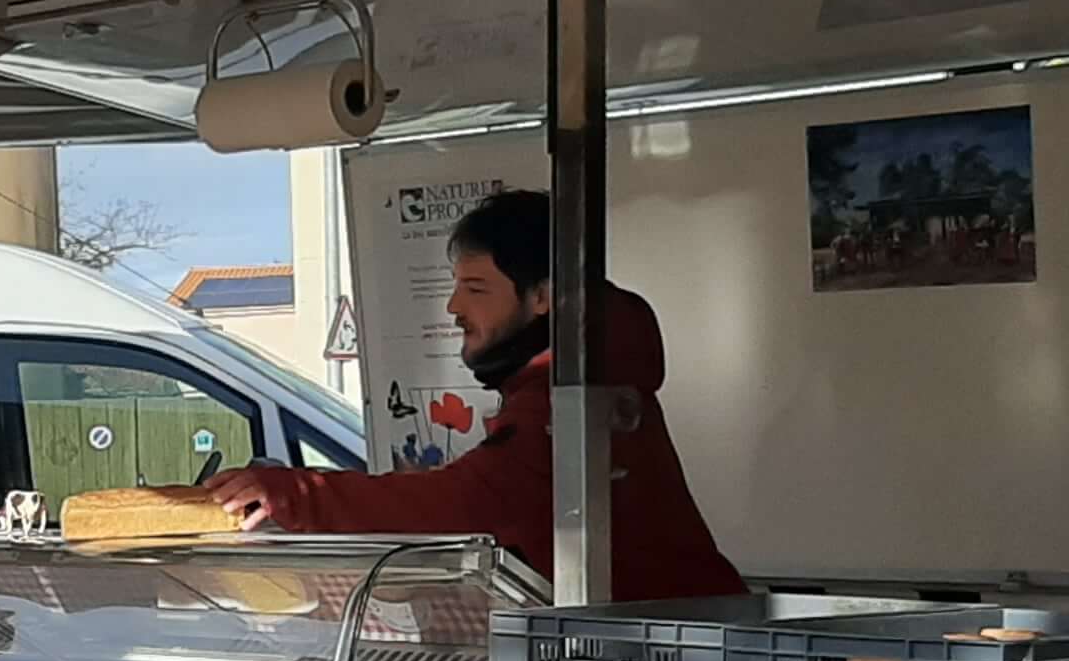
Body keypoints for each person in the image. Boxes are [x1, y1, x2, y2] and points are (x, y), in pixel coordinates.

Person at [200, 190, 745, 603]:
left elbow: (458, 506)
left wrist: (292, 493)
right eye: (456, 286)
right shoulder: (582, 386)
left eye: (476, 289)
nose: (454, 307)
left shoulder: (571, 406)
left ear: (542, 298)